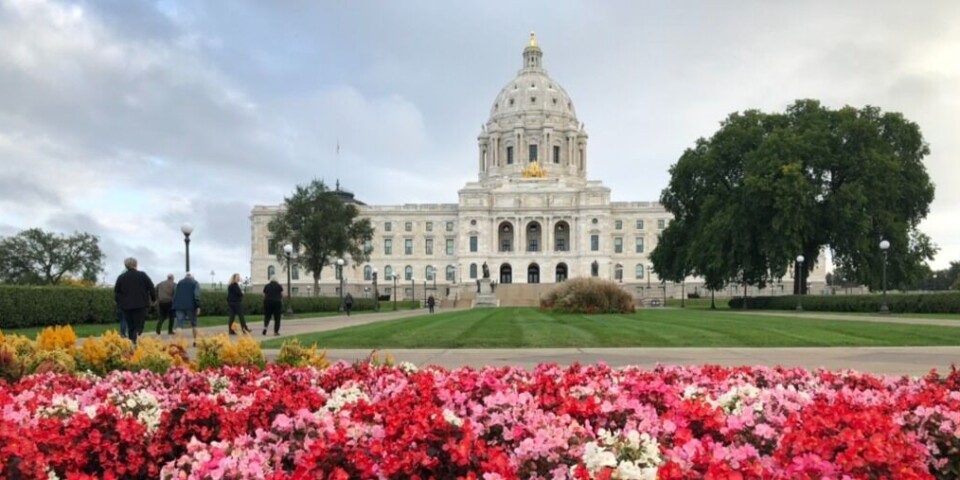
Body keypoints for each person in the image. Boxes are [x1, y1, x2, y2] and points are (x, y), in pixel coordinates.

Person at [114, 257, 156, 347]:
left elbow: (117, 292)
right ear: (136, 265)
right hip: (140, 304)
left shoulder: (121, 277)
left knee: (130, 325)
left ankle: (131, 342)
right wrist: (153, 298)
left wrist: (119, 303)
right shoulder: (142, 275)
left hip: (126, 305)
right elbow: (151, 287)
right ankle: (134, 341)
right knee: (139, 325)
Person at [172, 272, 201, 347]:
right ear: (192, 277)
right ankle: (195, 341)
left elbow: (175, 294)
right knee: (194, 324)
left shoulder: (180, 282)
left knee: (179, 325)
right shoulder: (195, 283)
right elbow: (196, 296)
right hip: (191, 306)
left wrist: (175, 304)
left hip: (179, 306)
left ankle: (179, 343)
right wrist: (198, 306)